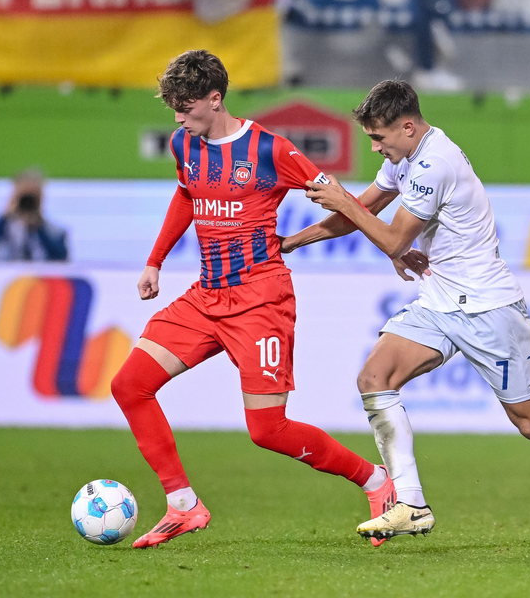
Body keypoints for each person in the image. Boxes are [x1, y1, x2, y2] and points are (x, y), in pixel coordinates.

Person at [282, 80, 530, 551]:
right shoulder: (404, 158)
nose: (374, 147)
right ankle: (411, 503)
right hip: (438, 301)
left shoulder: (435, 163)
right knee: (375, 377)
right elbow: (364, 209)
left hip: (488, 308)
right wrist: (290, 242)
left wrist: (348, 205)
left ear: (407, 127)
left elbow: (390, 237)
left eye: (378, 137)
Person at [109, 50, 396, 549]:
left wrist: (393, 247)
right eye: (173, 109)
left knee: (268, 430)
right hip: (206, 296)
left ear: (214, 99)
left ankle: (376, 481)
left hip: (261, 301)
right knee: (129, 386)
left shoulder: (270, 150)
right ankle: (183, 504)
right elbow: (186, 195)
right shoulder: (184, 143)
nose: (178, 119)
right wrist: (155, 261)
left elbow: (341, 199)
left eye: (185, 108)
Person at [0, 168, 68, 261]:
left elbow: (61, 256)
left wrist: (38, 226)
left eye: (32, 198)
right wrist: (4, 219)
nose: (27, 202)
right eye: (24, 197)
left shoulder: (50, 229)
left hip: (37, 274)